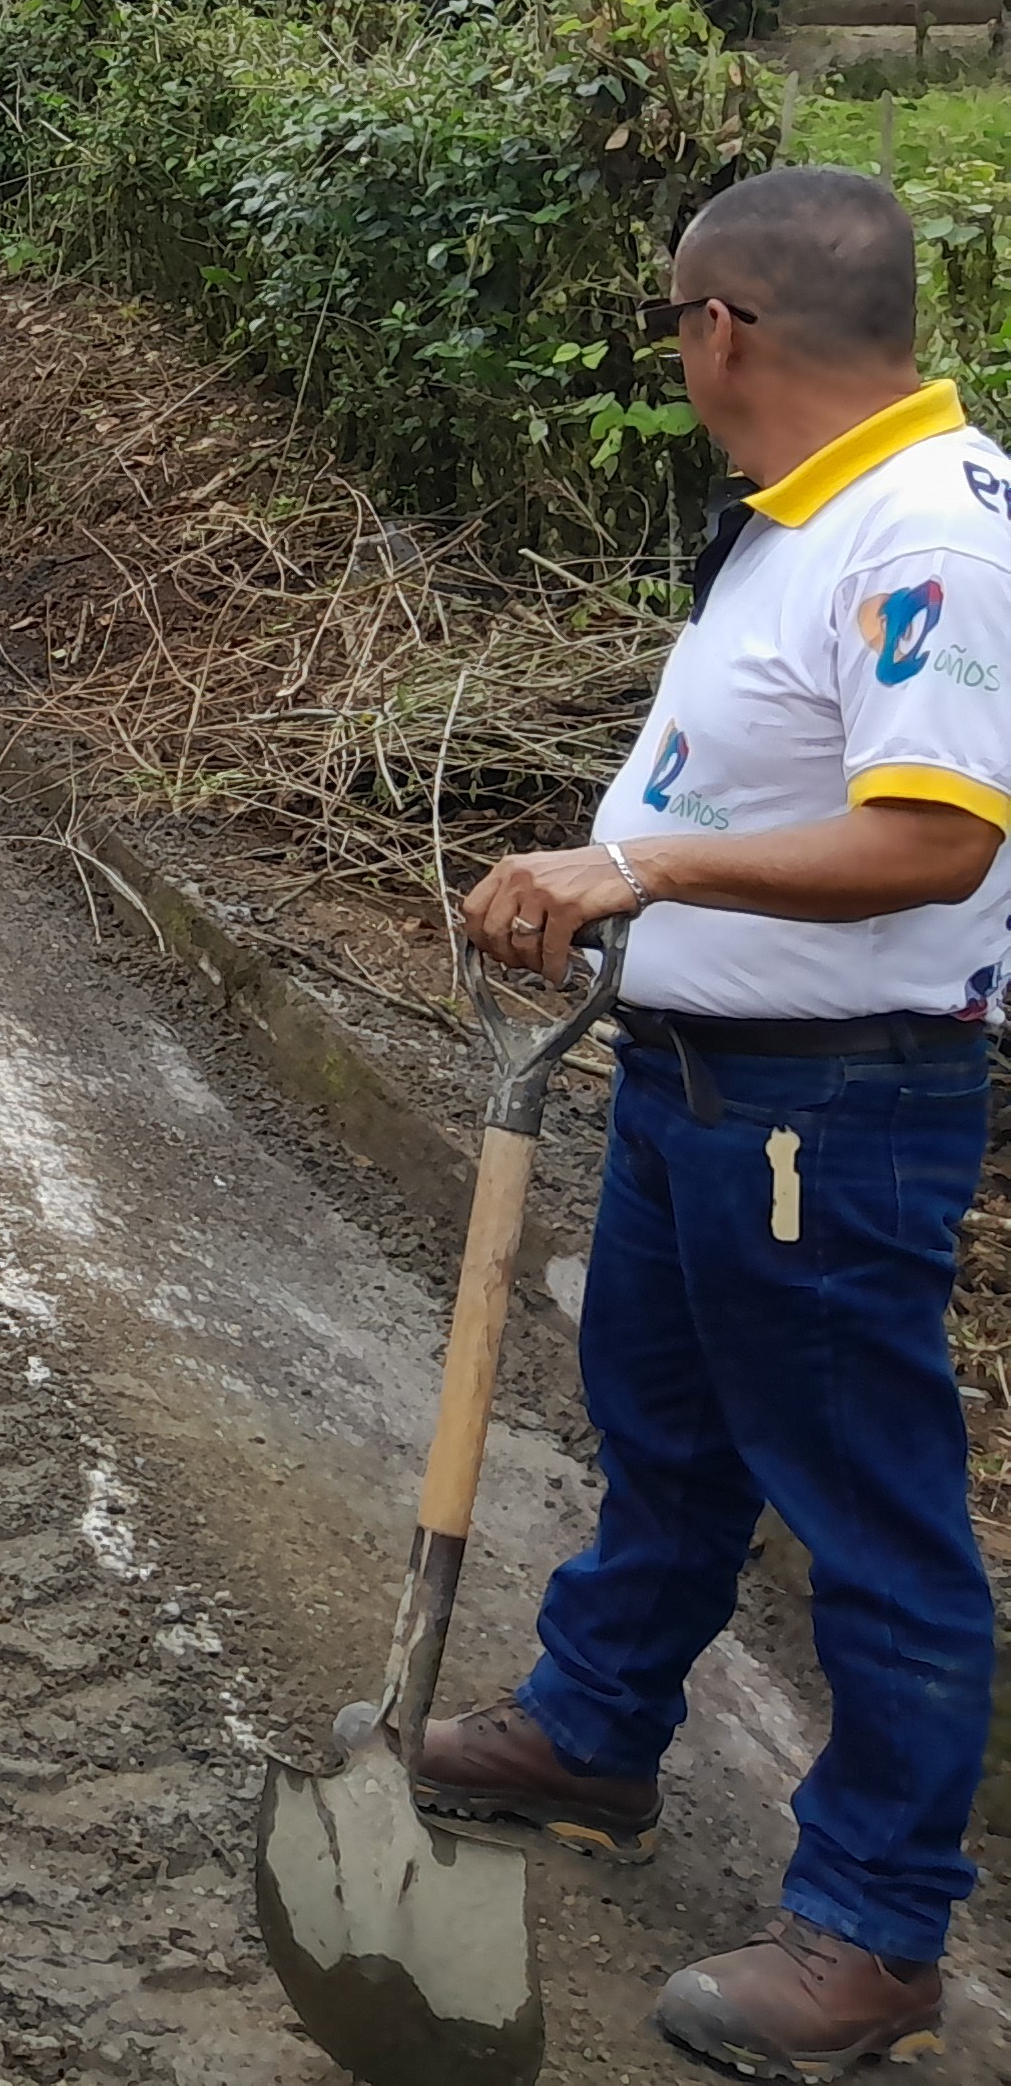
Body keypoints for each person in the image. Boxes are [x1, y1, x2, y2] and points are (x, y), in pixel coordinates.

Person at [443, 166, 999, 2077]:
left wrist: (638, 870)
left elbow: (931, 840)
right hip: (698, 1083)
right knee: (665, 1446)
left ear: (720, 328)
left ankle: (876, 1931)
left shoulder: (934, 528)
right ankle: (593, 1734)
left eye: (675, 328)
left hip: (831, 1114)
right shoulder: (805, 515)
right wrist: (627, 885)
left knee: (871, 1516)